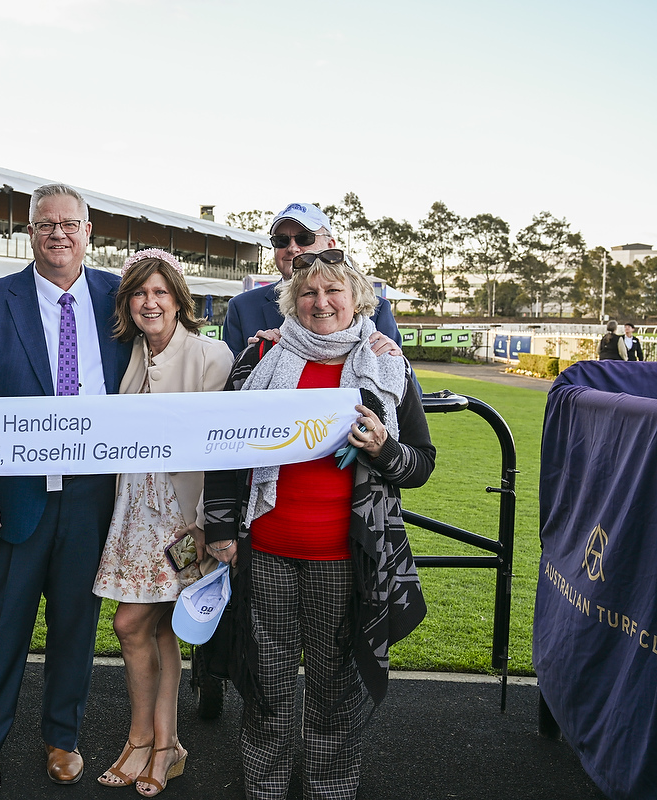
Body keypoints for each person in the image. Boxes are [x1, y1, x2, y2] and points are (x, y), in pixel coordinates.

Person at [201, 248, 434, 800]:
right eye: (308, 293)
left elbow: (419, 464)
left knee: (335, 688)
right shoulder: (259, 356)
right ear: (292, 301)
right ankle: (266, 785)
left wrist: (382, 448)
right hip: (268, 552)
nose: (321, 302)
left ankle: (331, 786)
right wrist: (218, 530)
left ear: (358, 299)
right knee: (268, 683)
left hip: (344, 557)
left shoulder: (388, 364)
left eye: (334, 291)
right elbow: (224, 449)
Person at [0, 183, 133, 791]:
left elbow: (172, 355)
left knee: (77, 625)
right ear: (29, 233)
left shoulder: (118, 297)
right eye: (45, 224)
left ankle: (62, 737)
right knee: (1, 624)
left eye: (69, 224)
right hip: (14, 495)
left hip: (94, 494)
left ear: (88, 232)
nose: (58, 233)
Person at [92, 249, 232, 796]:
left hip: (181, 520)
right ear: (128, 302)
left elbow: (224, 450)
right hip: (134, 511)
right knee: (152, 628)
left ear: (178, 299)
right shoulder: (127, 355)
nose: (150, 303)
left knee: (131, 624)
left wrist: (204, 525)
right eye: (139, 294)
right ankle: (156, 742)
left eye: (160, 293)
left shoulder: (210, 355)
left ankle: (147, 739)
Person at [222, 203, 402, 357]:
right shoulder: (242, 308)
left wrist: (398, 363)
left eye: (304, 238)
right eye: (281, 240)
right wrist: (248, 361)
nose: (292, 248)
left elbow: (406, 393)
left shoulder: (377, 310)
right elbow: (230, 391)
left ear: (330, 245)